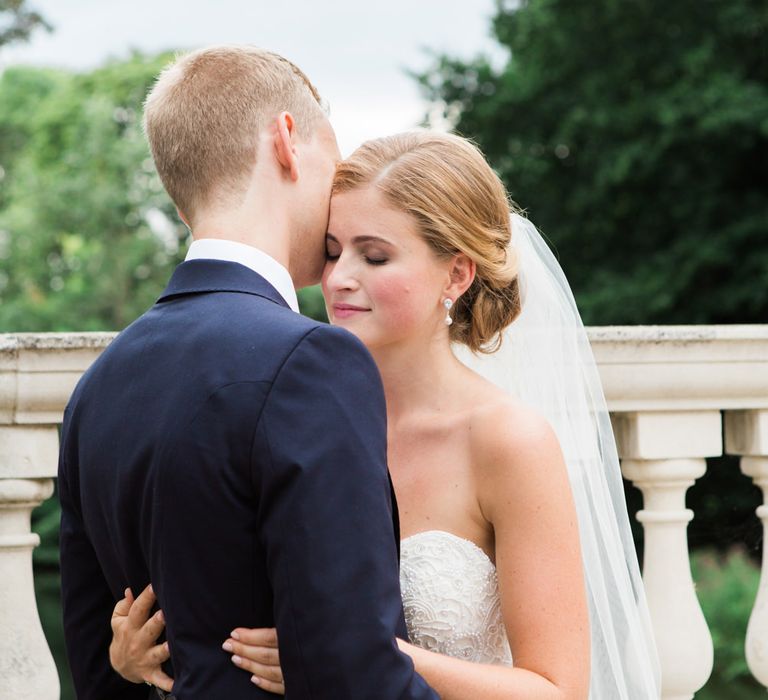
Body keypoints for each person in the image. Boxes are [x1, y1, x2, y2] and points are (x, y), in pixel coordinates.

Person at [112, 131, 662, 698]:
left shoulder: (508, 441)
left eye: (374, 256)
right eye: (331, 250)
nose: (338, 277)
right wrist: (137, 652)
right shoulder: (292, 412)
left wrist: (362, 652)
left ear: (456, 274)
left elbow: (556, 690)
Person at [57, 46, 438, 700]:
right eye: (335, 161)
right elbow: (357, 675)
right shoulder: (313, 362)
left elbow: (99, 675)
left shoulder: (97, 387)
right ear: (287, 141)